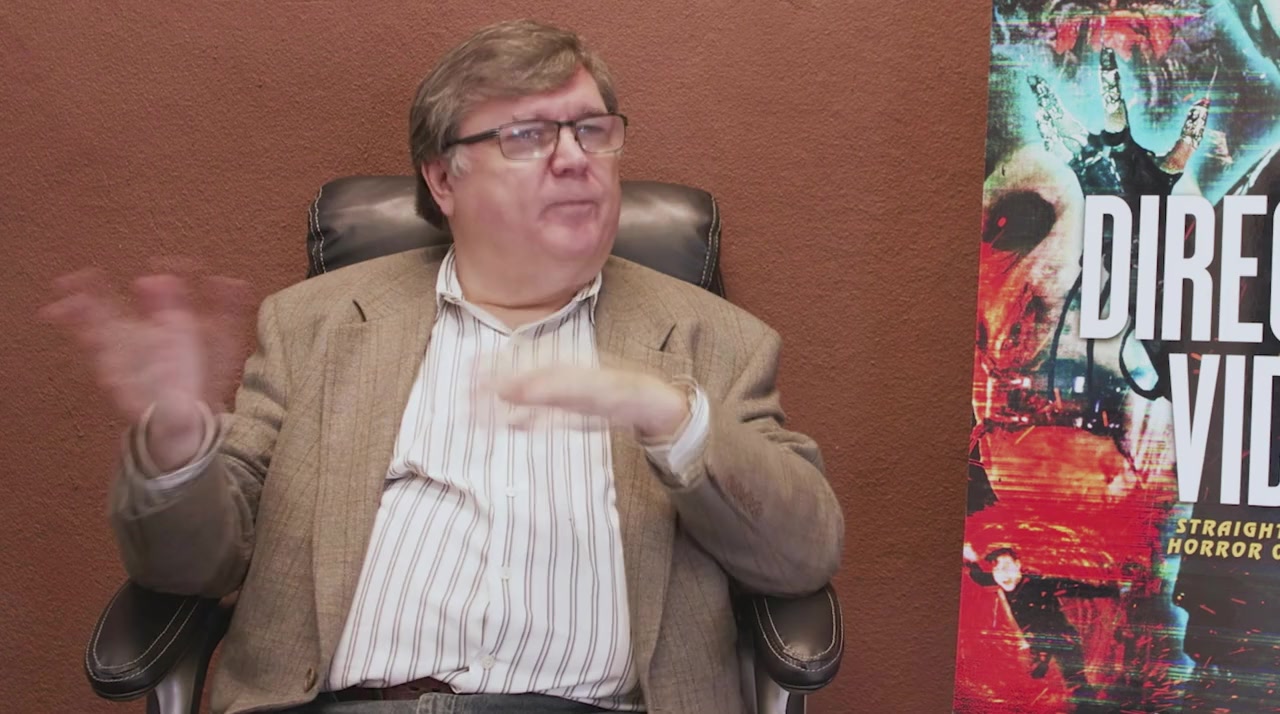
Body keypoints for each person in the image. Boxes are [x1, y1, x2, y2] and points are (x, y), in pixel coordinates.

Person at [42, 19, 844, 714]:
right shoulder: (316, 325)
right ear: (441, 177)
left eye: (592, 130)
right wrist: (179, 447)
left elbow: (803, 553)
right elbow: (191, 567)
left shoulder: (712, 340)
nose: (575, 159)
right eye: (527, 136)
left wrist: (673, 418)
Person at [963, 545, 1117, 695]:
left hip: (1061, 638)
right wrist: (971, 560)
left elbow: (1075, 588)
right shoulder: (1001, 581)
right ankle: (1044, 665)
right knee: (1035, 675)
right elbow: (981, 578)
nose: (1003, 575)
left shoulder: (1038, 583)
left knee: (1076, 683)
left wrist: (1111, 591)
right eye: (997, 569)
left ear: (1018, 565)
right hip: (1037, 641)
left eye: (1007, 567)